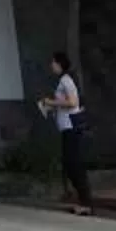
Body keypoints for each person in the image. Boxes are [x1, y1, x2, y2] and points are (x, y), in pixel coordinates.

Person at [39, 51, 92, 213]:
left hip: (71, 127)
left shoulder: (66, 80)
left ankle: (85, 202)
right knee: (70, 164)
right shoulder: (65, 80)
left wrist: (51, 102)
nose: (51, 66)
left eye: (53, 63)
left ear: (59, 64)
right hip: (66, 127)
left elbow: (72, 102)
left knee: (73, 164)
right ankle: (83, 200)